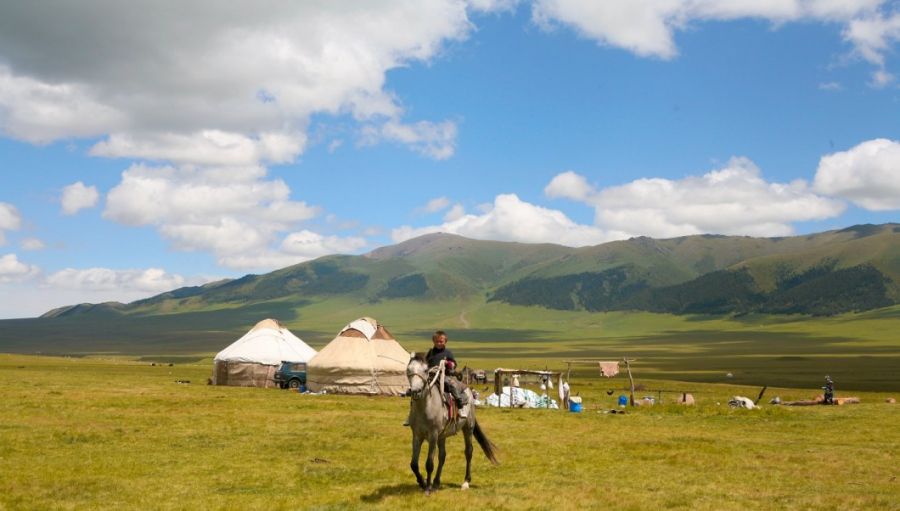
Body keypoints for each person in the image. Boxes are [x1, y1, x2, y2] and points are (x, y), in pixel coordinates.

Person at [404, 330, 470, 426]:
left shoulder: (448, 353)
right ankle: (411, 416)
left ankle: (460, 405)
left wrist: (448, 363)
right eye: (437, 341)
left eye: (441, 341)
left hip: (444, 375)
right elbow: (425, 363)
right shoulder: (430, 353)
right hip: (431, 376)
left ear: (445, 342)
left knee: (451, 385)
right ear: (433, 341)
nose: (439, 343)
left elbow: (454, 364)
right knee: (416, 390)